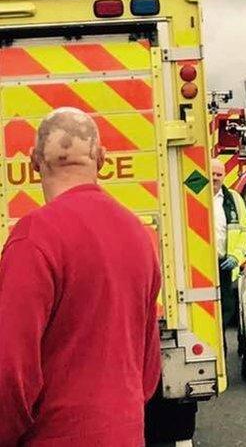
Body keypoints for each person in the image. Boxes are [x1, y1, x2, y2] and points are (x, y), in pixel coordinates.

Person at [0, 108, 161, 446]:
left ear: (33, 162)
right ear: (101, 158)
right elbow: (148, 367)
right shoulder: (139, 235)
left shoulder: (35, 236)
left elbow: (10, 368)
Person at [211, 158, 246, 328]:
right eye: (211, 173)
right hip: (198, 265)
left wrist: (236, 256)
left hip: (224, 266)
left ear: (224, 176)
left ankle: (222, 350)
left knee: (225, 311)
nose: (214, 177)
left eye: (218, 174)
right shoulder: (194, 195)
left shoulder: (233, 199)